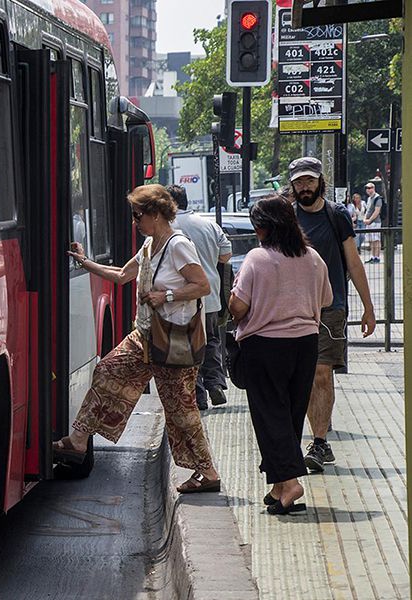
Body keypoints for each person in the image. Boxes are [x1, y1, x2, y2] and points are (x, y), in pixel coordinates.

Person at [53, 184, 221, 494]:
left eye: (137, 215)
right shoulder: (149, 245)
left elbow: (202, 286)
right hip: (145, 335)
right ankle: (78, 440)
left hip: (172, 339)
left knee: (181, 410)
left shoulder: (177, 245)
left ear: (155, 215)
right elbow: (121, 276)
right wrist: (84, 262)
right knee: (107, 369)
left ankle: (207, 472)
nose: (135, 221)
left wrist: (166, 295)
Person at [229, 197, 333, 515]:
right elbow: (326, 299)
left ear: (262, 228)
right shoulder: (313, 258)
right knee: (290, 415)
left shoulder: (258, 258)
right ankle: (278, 485)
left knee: (269, 415)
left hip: (265, 344)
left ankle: (290, 483)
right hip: (305, 343)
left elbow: (238, 307)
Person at [288, 157, 376, 472]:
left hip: (330, 308)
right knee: (299, 377)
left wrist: (368, 307)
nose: (304, 187)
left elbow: (354, 262)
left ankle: (320, 443)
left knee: (321, 373)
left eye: (309, 181)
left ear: (320, 182)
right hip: (291, 308)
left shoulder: (335, 215)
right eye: (299, 182)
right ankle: (300, 438)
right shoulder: (287, 215)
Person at [168, 184, 232, 410]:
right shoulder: (208, 224)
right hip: (211, 294)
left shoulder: (167, 228)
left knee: (189, 346)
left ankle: (199, 395)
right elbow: (226, 255)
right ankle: (215, 382)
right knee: (212, 339)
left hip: (184, 297)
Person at [362, 182, 383, 263]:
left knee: (376, 240)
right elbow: (367, 210)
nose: (368, 190)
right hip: (369, 222)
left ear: (374, 188)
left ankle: (377, 257)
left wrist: (369, 220)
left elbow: (377, 211)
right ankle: (373, 256)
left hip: (375, 222)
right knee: (371, 240)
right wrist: (365, 219)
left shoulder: (378, 198)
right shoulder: (369, 198)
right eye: (367, 188)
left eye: (370, 188)